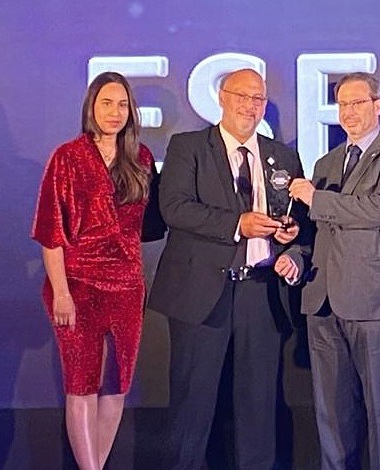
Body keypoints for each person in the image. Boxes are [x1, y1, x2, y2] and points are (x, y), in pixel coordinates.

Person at [147, 68, 305, 469]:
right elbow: (175, 208)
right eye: (242, 96)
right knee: (192, 405)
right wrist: (238, 224)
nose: (250, 106)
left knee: (258, 406)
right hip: (201, 293)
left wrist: (290, 236)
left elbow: (301, 221)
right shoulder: (187, 147)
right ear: (222, 97)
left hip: (261, 293)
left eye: (258, 99)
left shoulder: (282, 155)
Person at [286, 72, 380, 469]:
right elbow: (317, 226)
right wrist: (294, 245)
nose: (349, 112)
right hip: (322, 296)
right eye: (343, 104)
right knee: (330, 410)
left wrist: (315, 197)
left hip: (374, 298)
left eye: (358, 103)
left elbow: (377, 210)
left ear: (377, 106)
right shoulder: (327, 162)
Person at [32, 71, 163, 470]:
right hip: (77, 285)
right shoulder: (67, 157)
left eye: (122, 104)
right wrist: (62, 293)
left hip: (126, 287)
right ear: (91, 107)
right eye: (107, 103)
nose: (115, 112)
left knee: (116, 386)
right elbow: (51, 233)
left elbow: (152, 225)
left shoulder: (140, 159)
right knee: (82, 384)